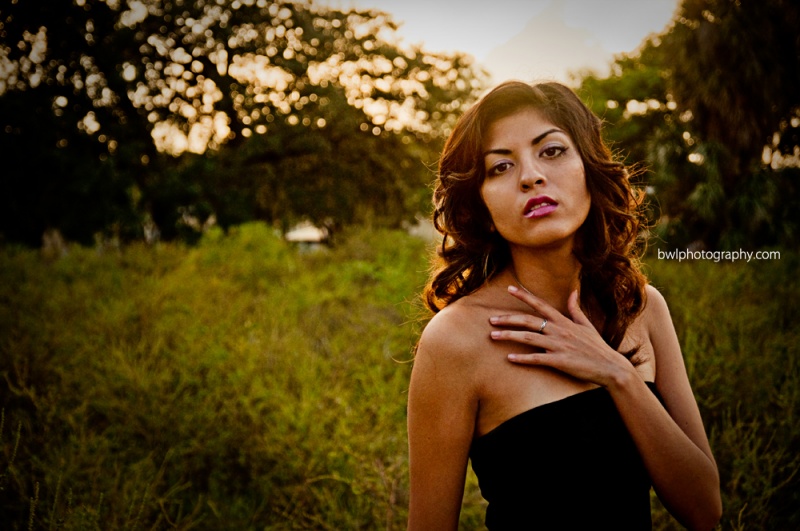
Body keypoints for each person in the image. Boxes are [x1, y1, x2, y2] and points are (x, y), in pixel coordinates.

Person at [406, 81, 722, 530]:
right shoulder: (456, 340)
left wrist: (616, 375)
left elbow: (705, 510)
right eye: (499, 167)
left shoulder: (643, 308)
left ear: (588, 169)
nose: (530, 176)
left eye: (551, 151)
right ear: (481, 206)